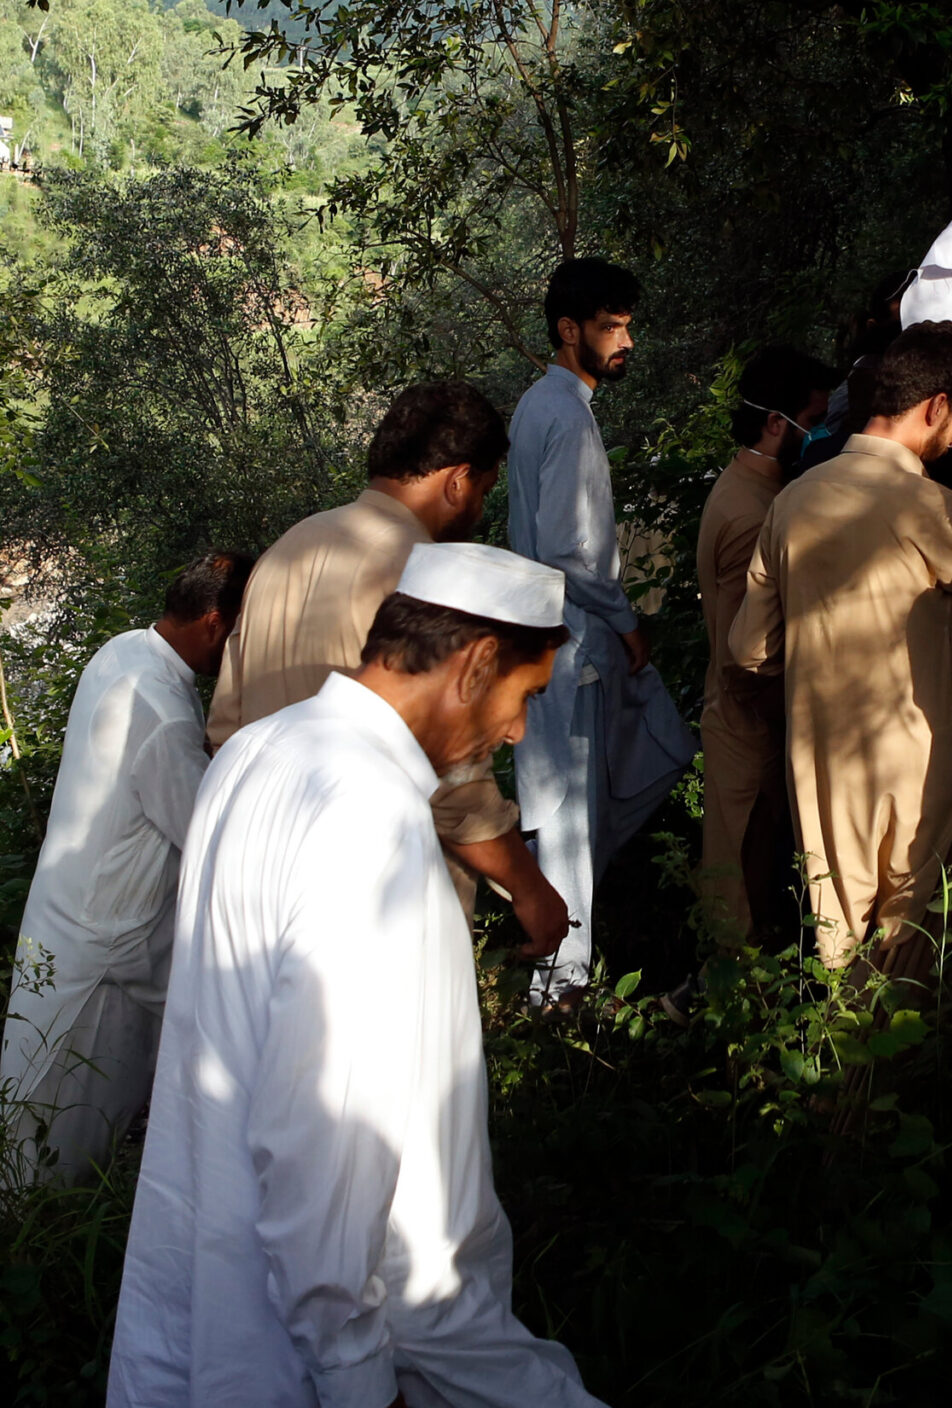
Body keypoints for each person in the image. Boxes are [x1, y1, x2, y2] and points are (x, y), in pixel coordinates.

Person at [109, 543, 605, 1408]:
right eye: (526, 696)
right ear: (476, 663)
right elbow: (325, 1125)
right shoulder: (369, 816)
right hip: (383, 1323)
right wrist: (353, 1367)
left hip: (223, 1279)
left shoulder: (257, 750)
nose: (518, 731)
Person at [731, 323, 952, 975]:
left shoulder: (791, 503)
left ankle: (828, 1042)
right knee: (911, 958)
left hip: (820, 767)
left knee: (835, 953)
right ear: (936, 406)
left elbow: (750, 649)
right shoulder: (928, 508)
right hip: (919, 770)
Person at [208, 382, 569, 952]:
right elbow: (456, 781)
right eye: (483, 490)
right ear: (458, 480)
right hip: (385, 896)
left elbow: (225, 729)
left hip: (261, 883)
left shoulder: (287, 549)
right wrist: (529, 889)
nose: (478, 510)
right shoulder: (427, 579)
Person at [1, 551, 251, 1186]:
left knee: (41, 1084)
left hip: (75, 906)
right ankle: (43, 1226)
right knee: (63, 1118)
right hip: (112, 934)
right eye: (240, 634)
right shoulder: (163, 711)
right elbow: (206, 831)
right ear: (216, 624)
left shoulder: (124, 651)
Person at [511, 256, 688, 1004]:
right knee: (566, 821)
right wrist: (624, 619)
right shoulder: (565, 416)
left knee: (576, 811)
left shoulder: (542, 406)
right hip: (571, 644)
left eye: (627, 326)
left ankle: (561, 978)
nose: (627, 341)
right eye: (612, 327)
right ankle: (560, 992)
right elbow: (564, 552)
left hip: (555, 643)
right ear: (568, 329)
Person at [695, 346, 832, 950]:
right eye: (814, 420)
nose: (820, 434)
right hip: (748, 726)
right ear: (778, 423)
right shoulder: (754, 511)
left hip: (743, 720)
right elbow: (743, 650)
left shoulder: (747, 487)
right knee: (743, 895)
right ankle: (735, 994)